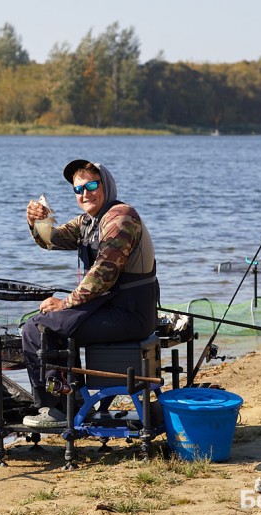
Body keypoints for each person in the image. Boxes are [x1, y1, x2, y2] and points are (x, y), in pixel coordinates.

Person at [21, 160, 159, 427]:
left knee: (40, 330)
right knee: (43, 322)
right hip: (107, 308)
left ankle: (56, 410)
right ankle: (70, 398)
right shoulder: (88, 222)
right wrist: (36, 221)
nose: (85, 194)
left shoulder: (121, 217)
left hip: (129, 314)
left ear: (106, 184)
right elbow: (52, 239)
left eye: (92, 185)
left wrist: (66, 304)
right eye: (78, 189)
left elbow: (104, 273)